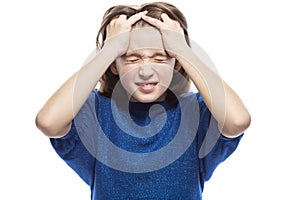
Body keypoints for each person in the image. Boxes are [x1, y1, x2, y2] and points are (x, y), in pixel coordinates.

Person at [35, 2, 251, 199]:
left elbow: (238, 120)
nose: (146, 71)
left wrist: (182, 49)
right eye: (132, 58)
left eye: (160, 58)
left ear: (176, 64)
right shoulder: (96, 113)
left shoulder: (194, 113)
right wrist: (110, 48)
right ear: (113, 65)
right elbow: (48, 122)